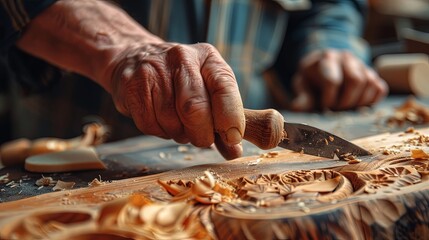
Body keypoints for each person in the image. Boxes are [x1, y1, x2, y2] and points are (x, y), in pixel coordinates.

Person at [0, 0, 387, 159]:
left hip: (236, 165)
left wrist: (328, 44)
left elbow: (331, 5)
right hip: (79, 159)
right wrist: (124, 48)